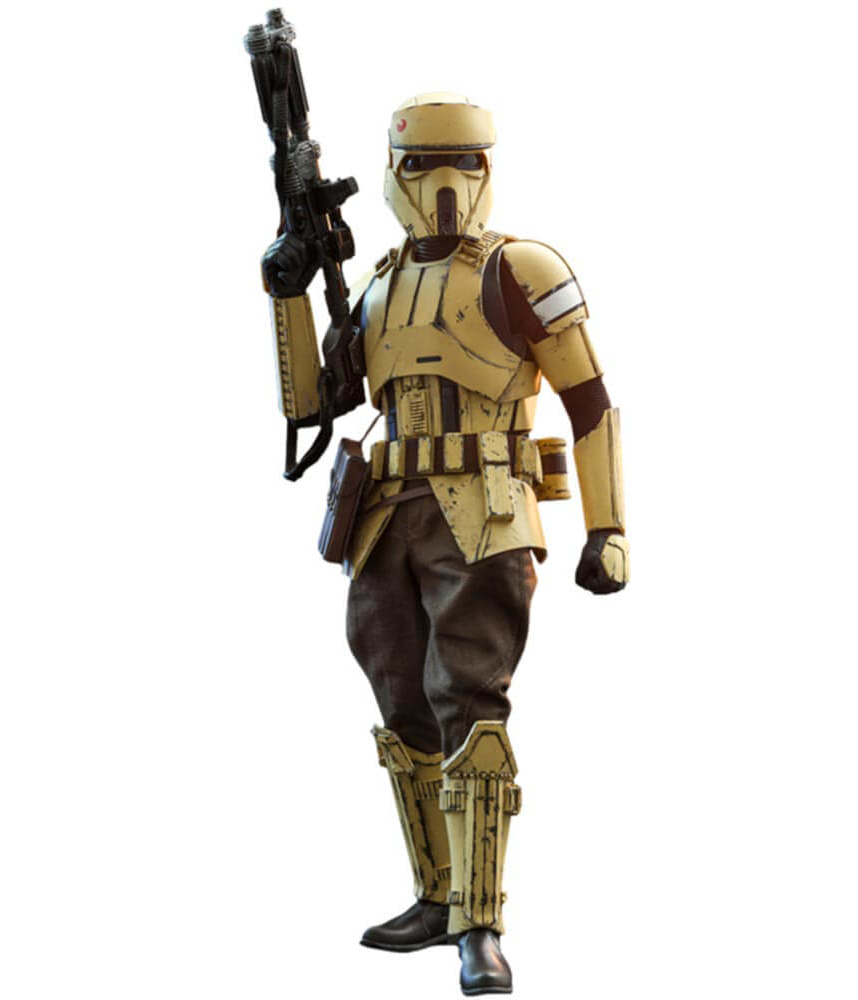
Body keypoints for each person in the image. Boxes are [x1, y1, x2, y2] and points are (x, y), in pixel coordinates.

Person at [262, 93, 629, 997]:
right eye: (422, 163)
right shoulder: (378, 284)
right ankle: (435, 895)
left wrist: (608, 527)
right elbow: (311, 404)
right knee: (401, 699)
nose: (443, 183)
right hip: (387, 515)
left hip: (485, 510)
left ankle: (479, 921)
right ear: (394, 172)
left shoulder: (522, 269)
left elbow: (590, 403)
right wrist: (289, 292)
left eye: (462, 161)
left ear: (488, 167)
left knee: (469, 700)